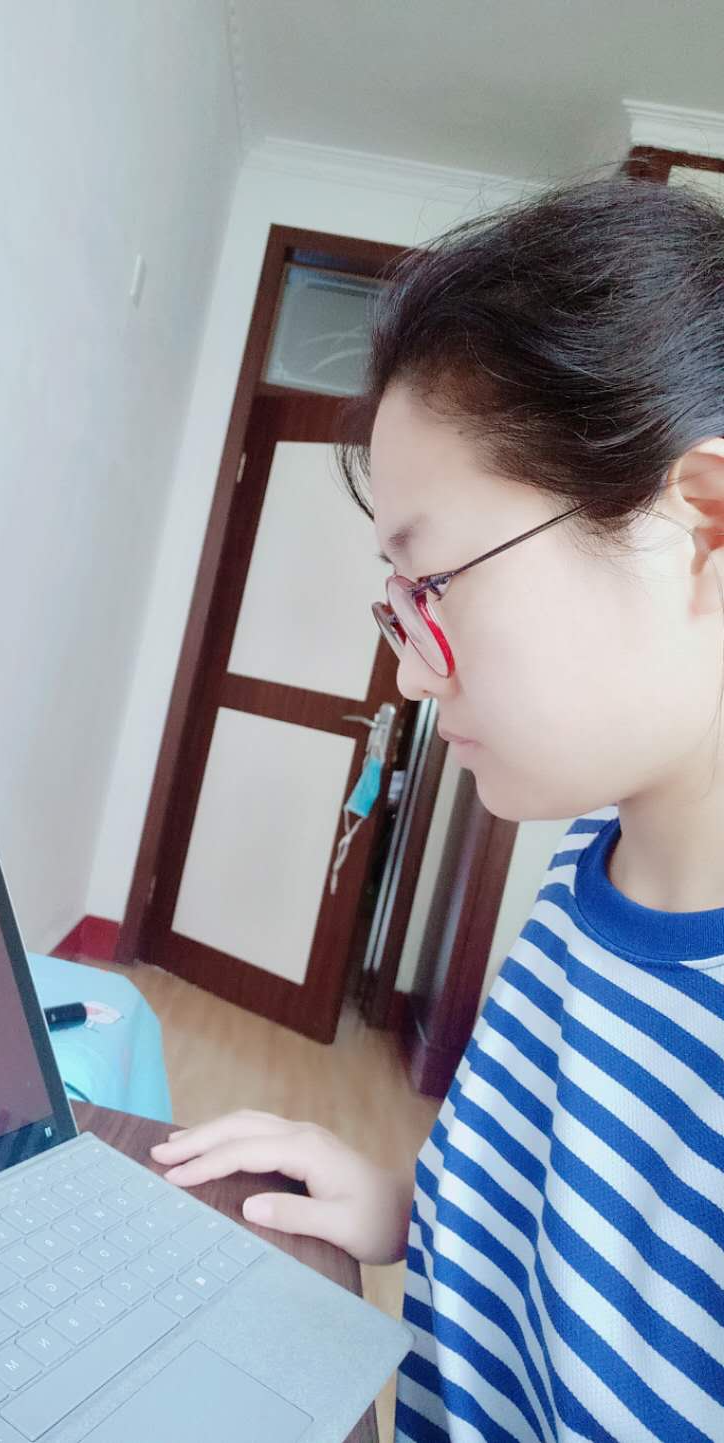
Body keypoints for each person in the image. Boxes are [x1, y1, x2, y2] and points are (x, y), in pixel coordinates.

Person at [151, 172, 724, 1440]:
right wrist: (412, 1209)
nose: (410, 675)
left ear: (702, 524)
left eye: (439, 584)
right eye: (399, 604)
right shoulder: (590, 872)